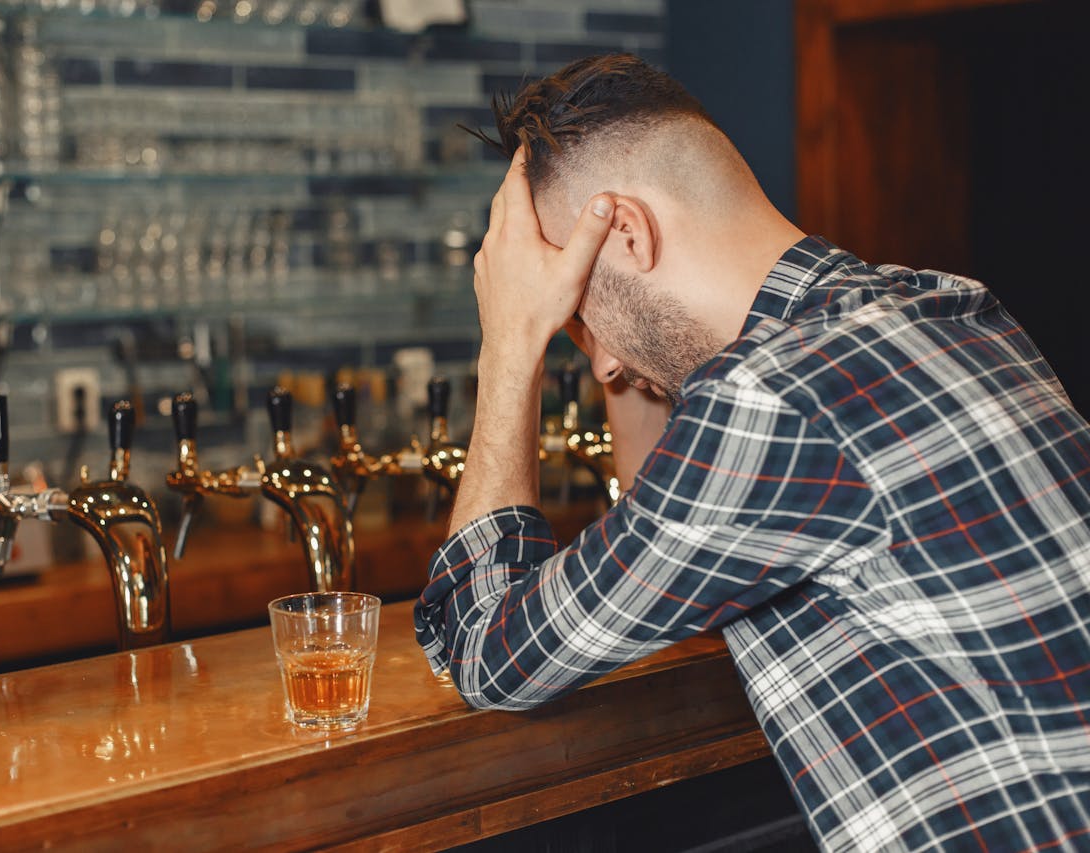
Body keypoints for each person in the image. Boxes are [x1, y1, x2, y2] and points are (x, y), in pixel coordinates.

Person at [413, 53, 1090, 851]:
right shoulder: (951, 305)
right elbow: (664, 544)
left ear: (626, 230)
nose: (599, 363)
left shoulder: (771, 396)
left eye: (578, 314)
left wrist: (511, 343)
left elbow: (488, 650)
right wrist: (614, 340)